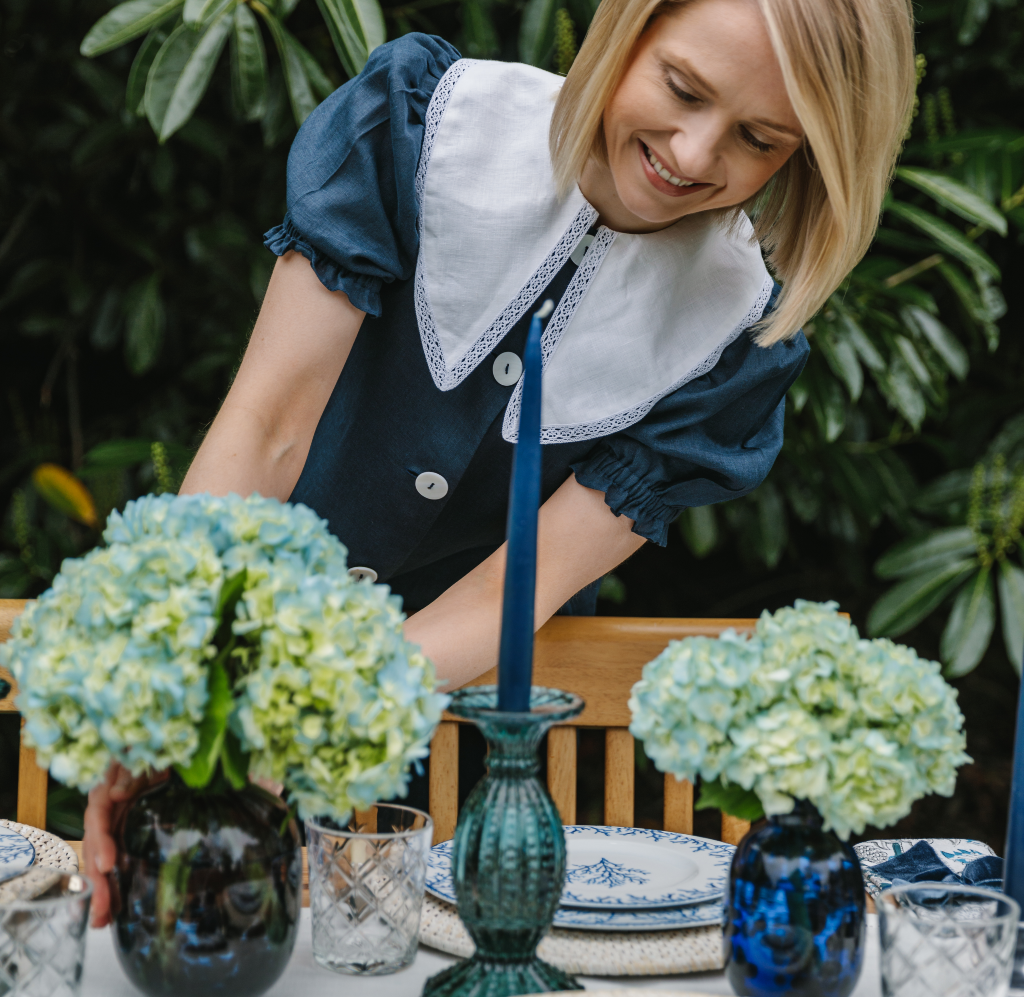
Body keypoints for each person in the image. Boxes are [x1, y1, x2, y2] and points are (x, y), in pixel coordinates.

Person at [82, 0, 916, 925]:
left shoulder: (734, 339)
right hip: (235, 663)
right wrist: (179, 688)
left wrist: (292, 727)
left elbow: (512, 589)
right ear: (625, 31)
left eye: (758, 140)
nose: (689, 155)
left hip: (468, 750)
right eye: (680, 88)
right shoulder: (425, 126)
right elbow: (268, 425)